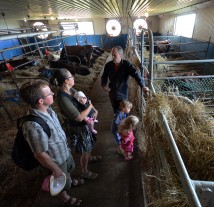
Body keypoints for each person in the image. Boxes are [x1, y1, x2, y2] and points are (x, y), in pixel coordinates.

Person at [19, 80, 82, 207]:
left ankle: (69, 180)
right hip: (55, 160)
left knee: (69, 169)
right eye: (49, 93)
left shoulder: (49, 110)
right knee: (60, 179)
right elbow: (40, 154)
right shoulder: (34, 126)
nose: (53, 93)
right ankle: (65, 198)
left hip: (63, 151)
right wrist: (56, 169)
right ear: (40, 101)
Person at [55, 68, 99, 180]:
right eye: (71, 77)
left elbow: (85, 98)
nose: (73, 78)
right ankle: (84, 172)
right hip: (78, 128)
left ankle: (90, 157)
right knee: (84, 150)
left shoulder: (71, 90)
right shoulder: (63, 98)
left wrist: (95, 110)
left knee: (89, 143)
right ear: (66, 81)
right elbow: (79, 118)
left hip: (85, 124)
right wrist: (90, 107)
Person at [101, 46, 149, 113]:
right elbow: (104, 77)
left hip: (122, 93)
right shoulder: (108, 65)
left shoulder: (126, 65)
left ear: (121, 55)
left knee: (124, 111)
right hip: (112, 93)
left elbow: (136, 75)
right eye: (112, 55)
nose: (112, 57)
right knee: (116, 112)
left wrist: (143, 86)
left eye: (114, 55)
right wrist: (104, 85)